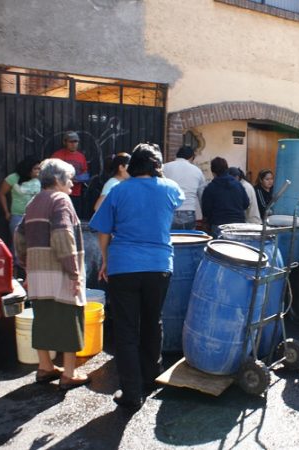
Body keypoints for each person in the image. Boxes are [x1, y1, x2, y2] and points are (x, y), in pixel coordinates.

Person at [90, 143, 184, 410]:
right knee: (153, 322)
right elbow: (174, 199)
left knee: (126, 329)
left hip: (123, 266)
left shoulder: (119, 190)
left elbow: (103, 230)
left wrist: (106, 260)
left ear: (132, 166)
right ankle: (152, 377)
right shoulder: (171, 188)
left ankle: (132, 393)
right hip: (159, 266)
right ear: (157, 166)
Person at [14, 158, 89, 390]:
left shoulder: (34, 202)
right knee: (70, 318)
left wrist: (27, 265)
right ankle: (68, 374)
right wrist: (74, 273)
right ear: (57, 180)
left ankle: (45, 367)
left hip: (37, 272)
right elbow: (63, 236)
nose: (72, 183)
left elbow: (19, 236)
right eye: (70, 179)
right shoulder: (61, 200)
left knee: (43, 319)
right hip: (60, 271)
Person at [0, 156, 42, 271]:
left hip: (36, 217)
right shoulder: (13, 178)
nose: (38, 171)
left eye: (39, 169)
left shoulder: (40, 179)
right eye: (35, 169)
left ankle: (30, 269)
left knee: (33, 243)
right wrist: (6, 212)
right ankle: (14, 272)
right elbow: (2, 193)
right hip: (17, 216)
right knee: (17, 244)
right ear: (28, 169)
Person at [162, 145, 207, 230]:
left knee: (170, 240)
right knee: (188, 239)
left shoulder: (165, 167)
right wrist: (204, 215)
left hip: (169, 211)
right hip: (189, 212)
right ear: (191, 157)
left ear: (177, 155)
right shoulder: (197, 171)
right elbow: (202, 196)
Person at [201, 157, 249, 237]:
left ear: (213, 172)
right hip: (238, 225)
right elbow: (246, 204)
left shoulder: (210, 188)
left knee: (219, 248)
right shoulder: (238, 185)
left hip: (218, 225)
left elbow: (206, 210)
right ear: (227, 169)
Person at [52, 131, 89, 217]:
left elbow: (85, 173)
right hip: (60, 193)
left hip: (76, 193)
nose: (74, 144)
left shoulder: (81, 156)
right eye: (71, 141)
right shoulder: (57, 155)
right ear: (65, 142)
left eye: (76, 141)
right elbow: (51, 173)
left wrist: (79, 178)